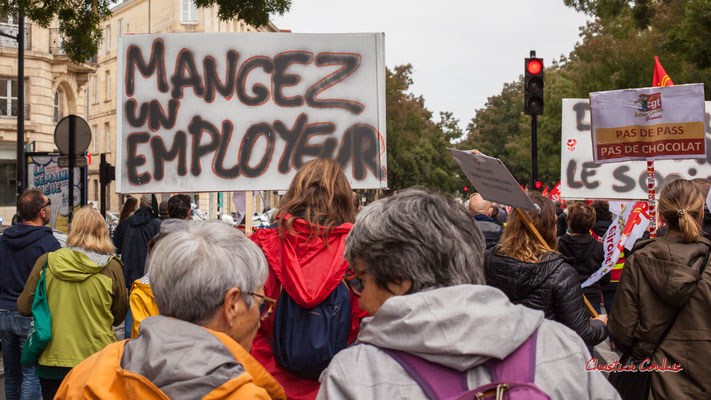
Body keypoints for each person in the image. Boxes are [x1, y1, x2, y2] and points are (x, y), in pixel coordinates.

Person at [316, 188, 620, 400]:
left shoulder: (355, 376)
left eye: (360, 280)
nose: (359, 297)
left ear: (398, 280)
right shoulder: (561, 346)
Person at [55, 221, 286, 400]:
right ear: (232, 305)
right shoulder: (245, 395)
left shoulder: (85, 375)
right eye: (260, 301)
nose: (260, 319)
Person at [249, 158, 367, 400]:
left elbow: (245, 320)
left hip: (267, 385)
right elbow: (368, 326)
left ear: (294, 193)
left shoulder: (259, 247)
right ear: (345, 198)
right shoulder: (363, 253)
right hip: (338, 388)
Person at [609, 179, 711, 398]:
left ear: (661, 216)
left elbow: (621, 332)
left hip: (654, 382)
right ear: (702, 212)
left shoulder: (638, 261)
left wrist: (646, 349)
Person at [17, 207, 127, 400]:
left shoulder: (47, 262)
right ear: (102, 232)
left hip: (52, 358)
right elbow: (119, 315)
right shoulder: (112, 267)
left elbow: (24, 307)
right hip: (97, 358)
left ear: (73, 230)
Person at [485, 192, 608, 347]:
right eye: (554, 223)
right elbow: (581, 334)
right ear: (549, 227)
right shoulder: (561, 274)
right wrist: (600, 324)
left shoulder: (488, 259)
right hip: (542, 358)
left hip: (499, 352)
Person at [0, 189, 60, 400]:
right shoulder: (48, 243)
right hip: (30, 315)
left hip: (4, 313)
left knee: (12, 375)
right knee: (32, 375)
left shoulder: (4, 240)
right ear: (42, 213)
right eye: (48, 205)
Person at [112, 194, 161, 339]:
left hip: (128, 273)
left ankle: (130, 341)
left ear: (140, 204)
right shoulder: (156, 224)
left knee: (131, 308)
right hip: (148, 275)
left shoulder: (125, 224)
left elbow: (116, 247)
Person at [557, 202, 606, 315]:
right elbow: (604, 278)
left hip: (566, 296)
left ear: (569, 221)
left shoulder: (559, 244)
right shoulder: (598, 247)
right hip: (591, 297)